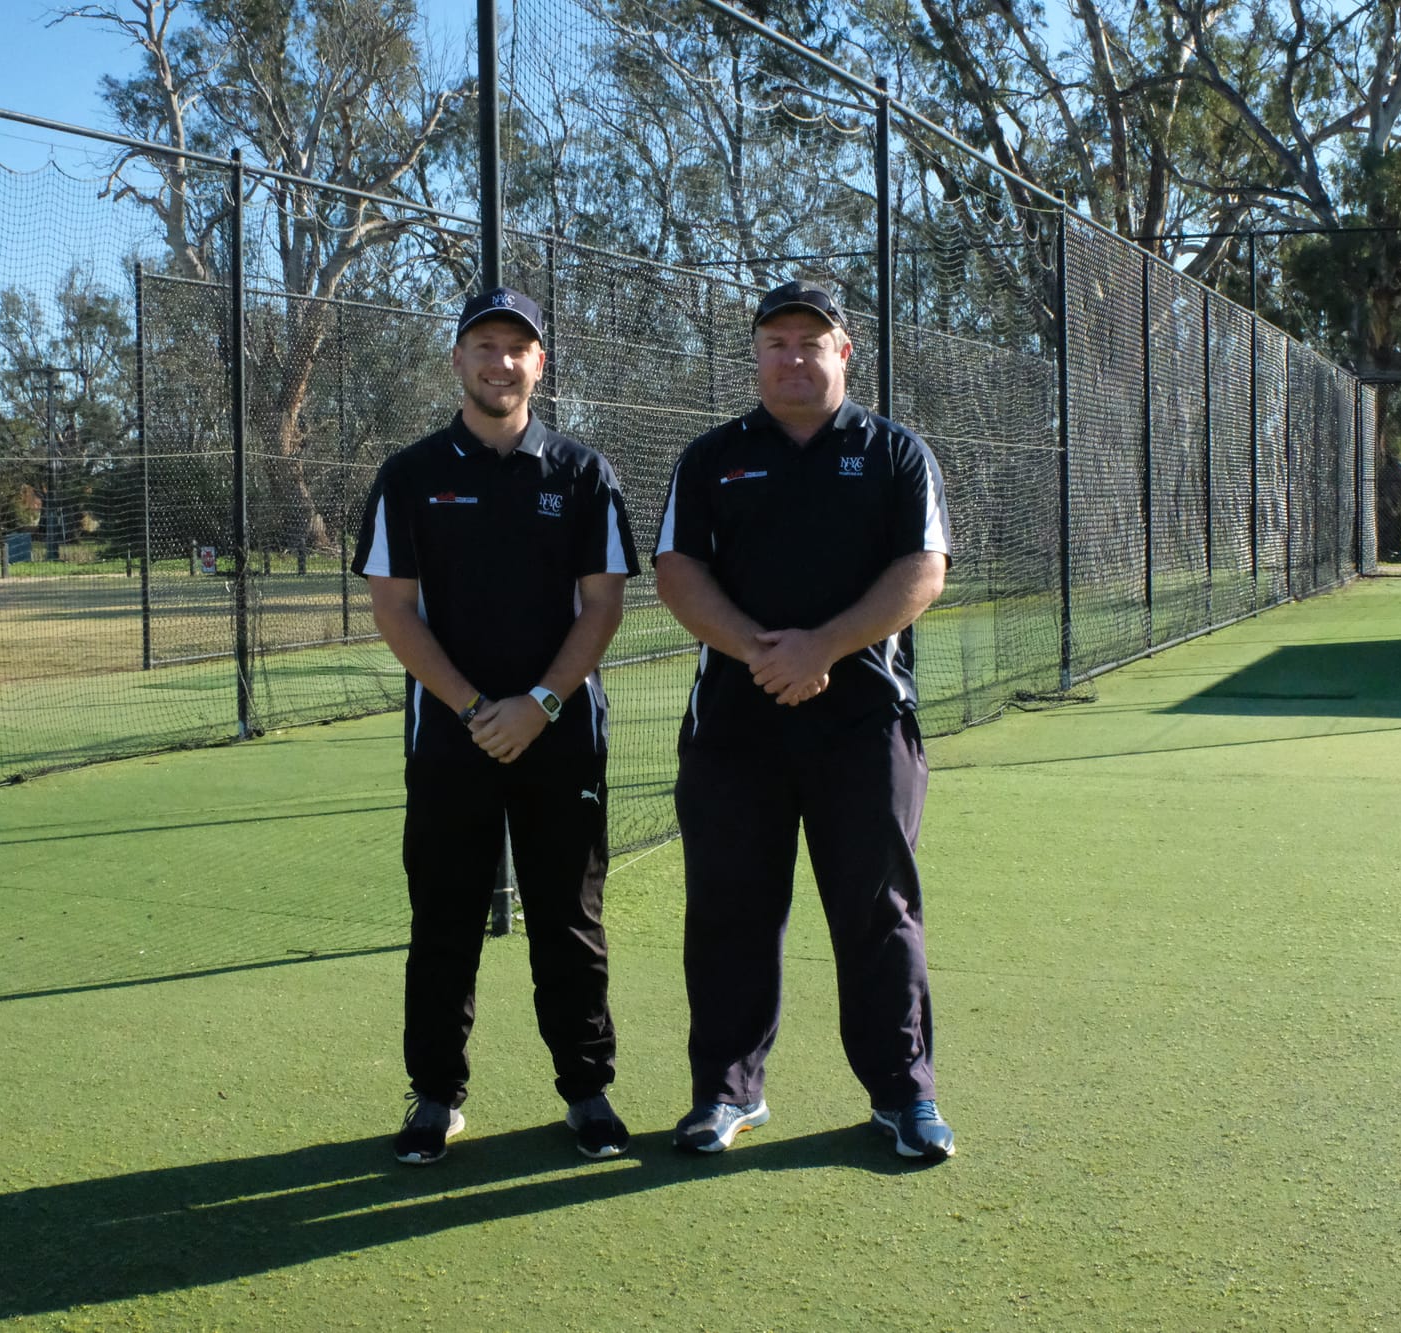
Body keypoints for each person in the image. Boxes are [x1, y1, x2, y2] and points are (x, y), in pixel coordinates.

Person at [653, 279, 956, 1161]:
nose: (793, 355)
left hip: (864, 723)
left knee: (878, 909)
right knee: (730, 909)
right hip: (735, 728)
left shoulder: (895, 452)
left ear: (843, 352)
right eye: (776, 341)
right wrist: (761, 651)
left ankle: (903, 1095)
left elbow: (922, 571)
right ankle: (725, 1092)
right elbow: (678, 573)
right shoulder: (710, 459)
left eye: (810, 341)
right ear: (756, 356)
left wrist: (820, 648)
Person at [352, 286, 639, 1165]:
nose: (500, 360)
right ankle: (435, 1095)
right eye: (484, 344)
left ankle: (586, 1092)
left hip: (561, 732)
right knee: (442, 918)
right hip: (453, 736)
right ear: (458, 361)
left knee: (569, 918)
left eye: (517, 347)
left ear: (539, 364)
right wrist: (478, 709)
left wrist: (541, 703)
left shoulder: (583, 473)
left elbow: (604, 604)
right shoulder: (409, 475)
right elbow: (394, 610)